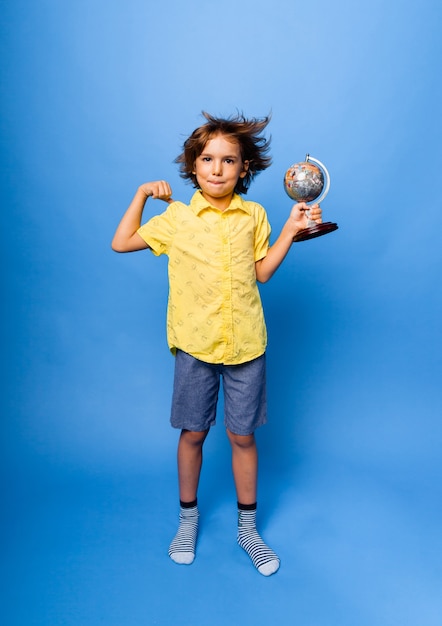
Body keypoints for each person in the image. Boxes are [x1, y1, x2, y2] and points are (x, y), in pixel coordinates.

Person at [112, 112, 322, 576]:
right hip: (195, 345)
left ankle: (248, 529)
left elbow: (262, 272)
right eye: (207, 159)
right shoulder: (177, 218)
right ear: (193, 165)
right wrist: (143, 194)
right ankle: (188, 520)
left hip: (247, 345)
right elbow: (121, 241)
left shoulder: (255, 216)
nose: (217, 169)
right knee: (193, 433)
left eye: (229, 160)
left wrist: (291, 228)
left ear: (244, 168)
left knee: (242, 436)